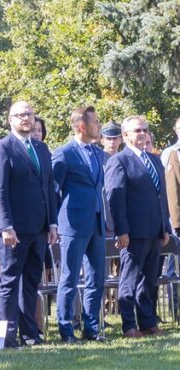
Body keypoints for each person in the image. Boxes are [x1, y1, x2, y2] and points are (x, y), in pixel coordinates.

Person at [0, 101, 58, 348]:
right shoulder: (2, 148)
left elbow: (48, 187)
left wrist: (52, 223)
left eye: (29, 114)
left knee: (31, 281)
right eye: (20, 115)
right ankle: (7, 335)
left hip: (39, 227)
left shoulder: (41, 147)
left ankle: (30, 332)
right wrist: (5, 226)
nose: (26, 119)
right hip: (14, 230)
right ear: (10, 119)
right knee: (10, 281)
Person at [105, 115, 171, 338]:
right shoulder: (119, 161)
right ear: (125, 136)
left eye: (144, 129)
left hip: (154, 231)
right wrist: (121, 231)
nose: (142, 133)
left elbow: (161, 197)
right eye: (136, 130)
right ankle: (129, 325)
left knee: (149, 281)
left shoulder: (153, 160)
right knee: (129, 281)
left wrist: (165, 228)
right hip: (132, 233)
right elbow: (115, 198)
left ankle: (147, 322)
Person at [51, 106, 109, 343]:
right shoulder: (64, 153)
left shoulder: (97, 152)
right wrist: (53, 224)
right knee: (70, 277)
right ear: (82, 126)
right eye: (96, 122)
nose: (99, 126)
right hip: (72, 225)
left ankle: (91, 328)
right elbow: (53, 192)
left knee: (97, 278)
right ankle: (66, 330)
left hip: (96, 223)